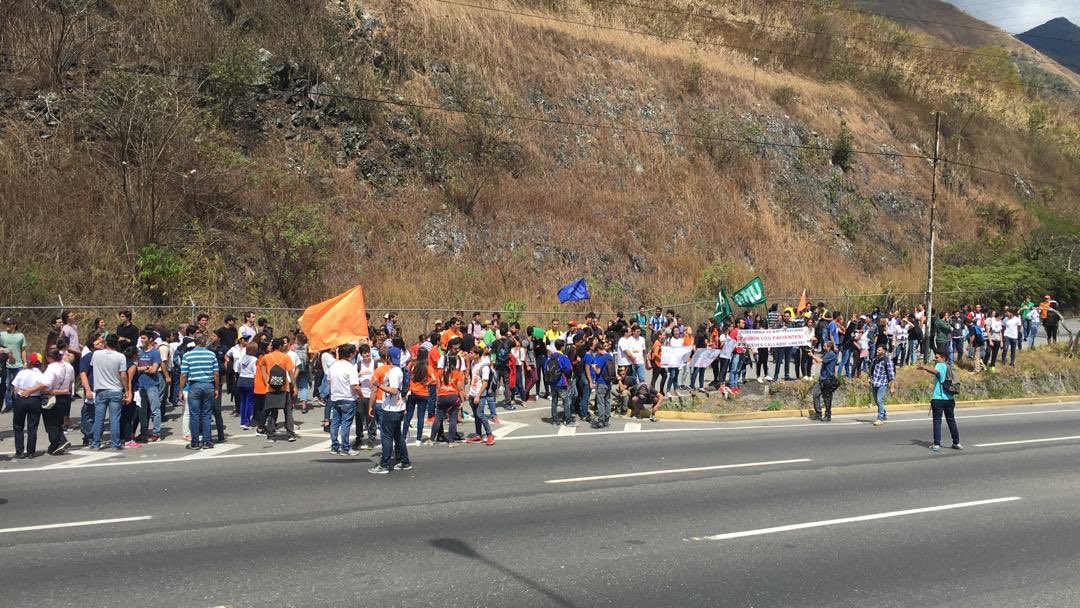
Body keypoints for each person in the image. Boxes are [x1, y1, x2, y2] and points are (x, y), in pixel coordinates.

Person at [179, 333, 220, 450]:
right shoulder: (211, 354)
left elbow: (183, 375)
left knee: (194, 415)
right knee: (207, 414)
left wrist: (181, 390)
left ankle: (195, 442)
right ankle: (207, 441)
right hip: (208, 385)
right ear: (204, 342)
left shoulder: (188, 355)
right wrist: (216, 388)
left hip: (194, 385)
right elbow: (216, 373)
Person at [90, 333, 131, 450]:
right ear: (117, 343)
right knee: (115, 418)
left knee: (99, 418)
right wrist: (126, 390)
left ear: (106, 342)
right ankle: (115, 444)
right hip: (115, 389)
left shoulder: (96, 354)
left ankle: (96, 443)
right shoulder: (120, 356)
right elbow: (123, 375)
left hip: (100, 389)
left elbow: (93, 367)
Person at [917, 351, 962, 452]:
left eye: (936, 357)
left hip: (939, 398)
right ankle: (956, 442)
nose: (935, 359)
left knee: (937, 421)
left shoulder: (940, 365)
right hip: (950, 399)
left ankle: (936, 444)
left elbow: (936, 372)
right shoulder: (950, 367)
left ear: (943, 358)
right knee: (951, 420)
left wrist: (924, 367)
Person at [255, 337, 297, 443]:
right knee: (287, 411)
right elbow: (291, 372)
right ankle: (290, 433)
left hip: (271, 388)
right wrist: (294, 386)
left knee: (272, 411)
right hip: (284, 387)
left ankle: (270, 434)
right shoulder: (285, 357)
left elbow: (262, 369)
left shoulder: (266, 357)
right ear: (280, 346)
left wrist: (267, 382)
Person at [10, 352, 47, 458]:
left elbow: (15, 388)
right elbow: (44, 388)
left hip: (21, 399)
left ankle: (19, 451)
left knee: (18, 426)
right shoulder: (41, 375)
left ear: (29, 362)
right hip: (35, 399)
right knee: (32, 427)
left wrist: (16, 398)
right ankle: (31, 452)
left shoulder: (22, 372)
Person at [326, 344, 361, 456]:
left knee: (335, 422)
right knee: (346, 423)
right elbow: (355, 385)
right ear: (351, 354)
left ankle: (334, 446)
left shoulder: (333, 366)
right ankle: (345, 448)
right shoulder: (350, 367)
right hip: (348, 398)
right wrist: (361, 395)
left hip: (335, 397)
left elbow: (329, 381)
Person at [466, 343, 496, 445]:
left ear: (477, 355)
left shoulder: (484, 367)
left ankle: (489, 435)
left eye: (471, 353)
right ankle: (478, 434)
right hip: (472, 393)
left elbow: (485, 382)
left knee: (480, 415)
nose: (469, 354)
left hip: (480, 395)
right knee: (476, 416)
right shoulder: (473, 363)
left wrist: (478, 395)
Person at [1, 316, 28, 413]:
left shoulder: (20, 336)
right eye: (6, 324)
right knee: (7, 385)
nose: (7, 326)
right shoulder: (2, 335)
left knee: (19, 385)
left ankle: (18, 404)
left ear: (14, 325)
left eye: (9, 324)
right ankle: (9, 405)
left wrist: (25, 362)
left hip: (18, 364)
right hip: (6, 365)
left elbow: (23, 350)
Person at [808, 341, 839, 421]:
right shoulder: (826, 353)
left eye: (825, 346)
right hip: (822, 379)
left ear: (829, 347)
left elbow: (819, 361)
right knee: (815, 393)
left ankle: (828, 415)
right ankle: (818, 413)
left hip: (828, 379)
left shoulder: (831, 354)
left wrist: (812, 355)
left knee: (827, 398)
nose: (823, 347)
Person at [868, 344, 896, 426]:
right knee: (877, 401)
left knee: (880, 400)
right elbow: (871, 371)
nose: (877, 351)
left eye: (879, 350)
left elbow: (892, 375)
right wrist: (870, 378)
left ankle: (880, 418)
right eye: (877, 349)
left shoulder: (887, 361)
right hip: (875, 383)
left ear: (884, 351)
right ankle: (884, 414)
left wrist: (892, 387)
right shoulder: (875, 360)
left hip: (882, 383)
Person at [235, 342, 258, 430]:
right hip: (250, 380)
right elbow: (255, 372)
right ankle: (247, 422)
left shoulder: (241, 358)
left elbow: (238, 369)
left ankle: (242, 421)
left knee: (243, 402)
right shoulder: (254, 359)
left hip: (241, 380)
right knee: (250, 402)